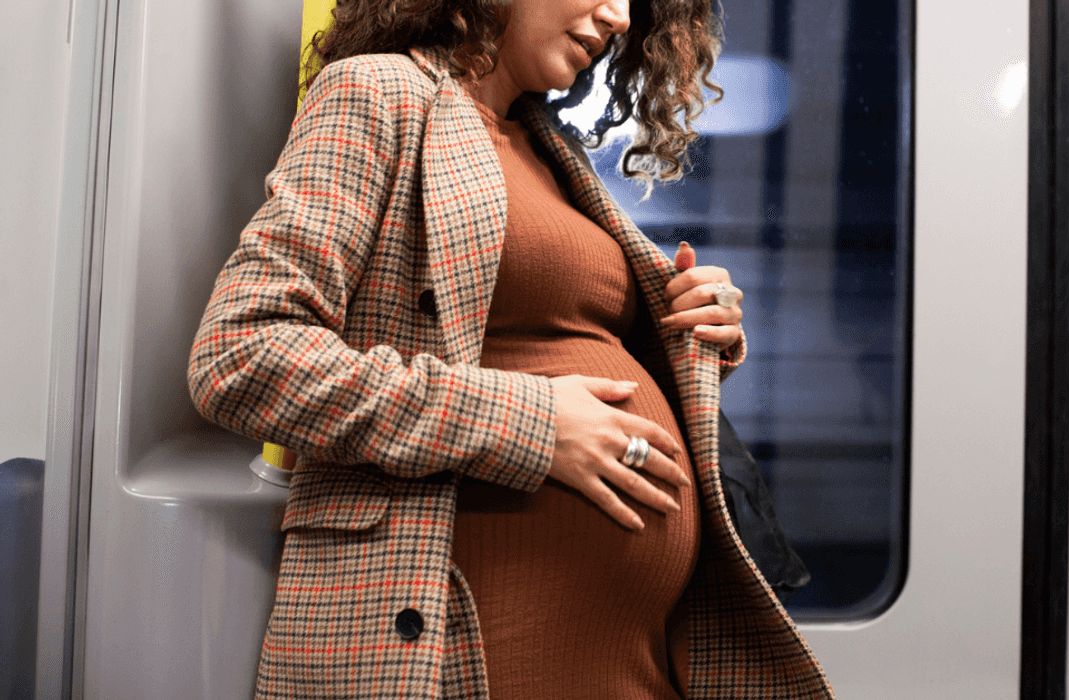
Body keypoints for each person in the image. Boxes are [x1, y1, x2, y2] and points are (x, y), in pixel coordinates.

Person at [188, 0, 834, 698]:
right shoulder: (378, 92)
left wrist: (689, 329)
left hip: (627, 658)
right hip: (463, 640)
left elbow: (551, 351)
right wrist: (532, 425)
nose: (619, 15)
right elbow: (242, 355)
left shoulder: (545, 145)